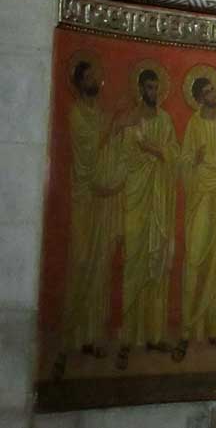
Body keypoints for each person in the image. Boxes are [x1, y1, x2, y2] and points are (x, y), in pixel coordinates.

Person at [53, 58, 125, 379]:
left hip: (105, 201)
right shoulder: (77, 114)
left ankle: (91, 337)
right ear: (80, 82)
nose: (96, 80)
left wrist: (118, 129)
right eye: (90, 77)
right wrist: (113, 126)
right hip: (86, 200)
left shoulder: (101, 114)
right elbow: (87, 151)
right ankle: (69, 340)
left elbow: (113, 148)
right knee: (81, 264)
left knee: (100, 269)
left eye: (97, 75)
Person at [118, 67, 179, 371]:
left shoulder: (165, 120)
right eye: (148, 88)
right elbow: (126, 158)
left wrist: (153, 150)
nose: (153, 92)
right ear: (140, 90)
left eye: (156, 88)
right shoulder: (131, 121)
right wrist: (151, 154)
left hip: (160, 201)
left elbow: (174, 154)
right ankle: (128, 339)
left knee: (158, 268)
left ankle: (155, 335)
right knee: (134, 264)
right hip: (137, 199)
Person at [173, 74, 216, 362]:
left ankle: (214, 330)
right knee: (195, 261)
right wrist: (196, 161)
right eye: (209, 92)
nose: (214, 95)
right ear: (200, 98)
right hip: (201, 201)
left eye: (215, 90)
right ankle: (186, 332)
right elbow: (184, 163)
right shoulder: (194, 125)